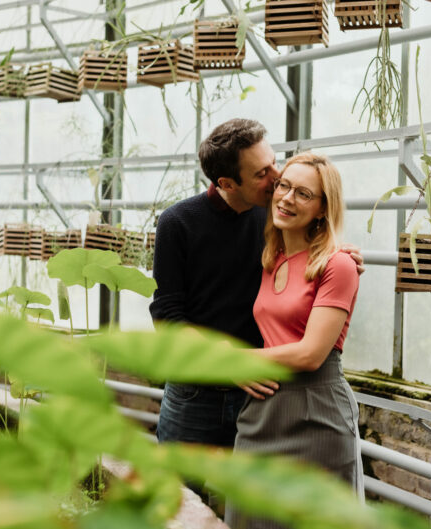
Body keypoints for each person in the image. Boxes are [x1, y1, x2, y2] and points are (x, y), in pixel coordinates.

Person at [150, 119, 363, 450]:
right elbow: (167, 317)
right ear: (228, 183)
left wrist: (339, 253)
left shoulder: (274, 215)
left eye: (274, 162)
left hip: (264, 389)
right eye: (262, 173)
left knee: (245, 497)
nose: (277, 178)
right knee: (178, 494)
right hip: (195, 391)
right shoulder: (177, 222)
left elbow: (311, 250)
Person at [225, 152, 362, 529]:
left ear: (322, 208)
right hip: (263, 409)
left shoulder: (339, 264)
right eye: (284, 186)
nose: (287, 198)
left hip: (316, 413)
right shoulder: (272, 258)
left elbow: (310, 354)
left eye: (303, 193)